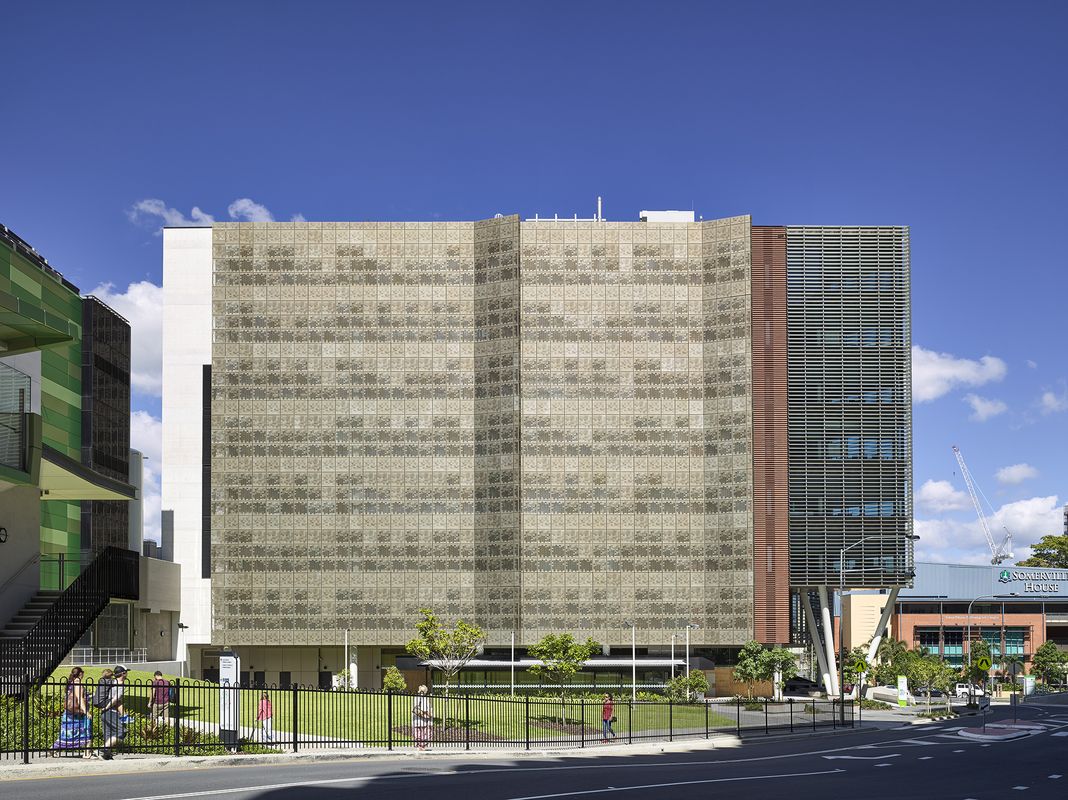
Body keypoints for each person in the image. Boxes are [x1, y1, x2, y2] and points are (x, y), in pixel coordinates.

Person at [52, 667, 92, 755]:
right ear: (80, 673)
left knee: (66, 733)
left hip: (69, 713)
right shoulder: (78, 683)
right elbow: (80, 698)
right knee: (85, 731)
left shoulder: (70, 683)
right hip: (78, 713)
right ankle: (87, 753)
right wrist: (86, 711)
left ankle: (53, 748)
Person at [101, 665, 128, 760]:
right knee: (122, 731)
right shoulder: (120, 683)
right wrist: (107, 707)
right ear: (123, 673)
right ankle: (102, 750)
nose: (127, 674)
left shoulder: (111, 682)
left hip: (104, 712)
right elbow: (116, 699)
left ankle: (106, 755)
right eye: (126, 672)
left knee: (108, 733)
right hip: (111, 711)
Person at [411, 685, 433, 750]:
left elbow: (429, 709)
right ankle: (419, 745)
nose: (422, 692)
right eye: (421, 691)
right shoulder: (417, 698)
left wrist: (428, 714)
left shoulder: (426, 699)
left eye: (423, 691)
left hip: (424, 720)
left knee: (424, 733)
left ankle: (423, 745)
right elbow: (415, 709)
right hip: (417, 719)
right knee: (417, 733)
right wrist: (424, 713)